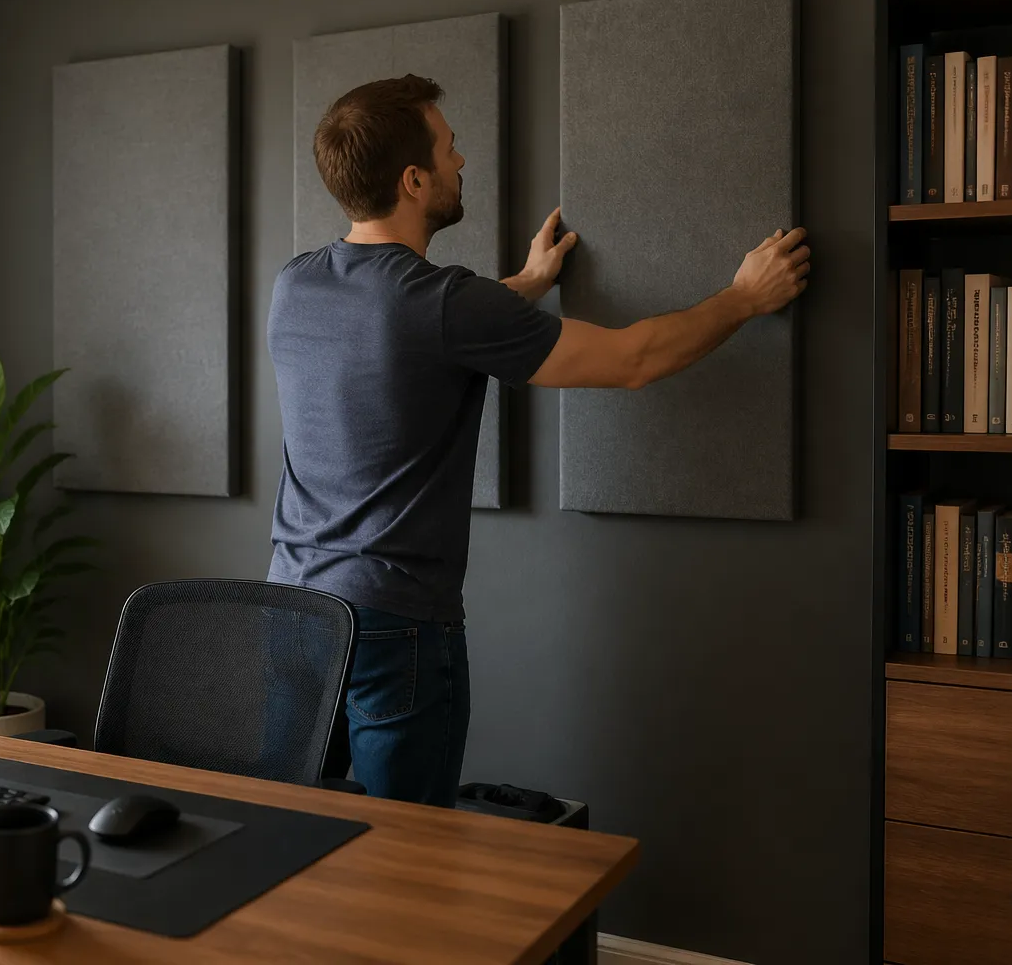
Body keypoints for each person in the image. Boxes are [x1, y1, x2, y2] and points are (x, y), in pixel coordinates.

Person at [267, 74, 809, 807]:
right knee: (407, 860)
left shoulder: (295, 285)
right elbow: (634, 361)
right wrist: (745, 297)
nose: (463, 164)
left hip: (295, 610)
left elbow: (417, 328)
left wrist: (524, 282)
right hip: (398, 629)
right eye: (450, 151)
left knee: (289, 832)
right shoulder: (442, 304)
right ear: (414, 178)